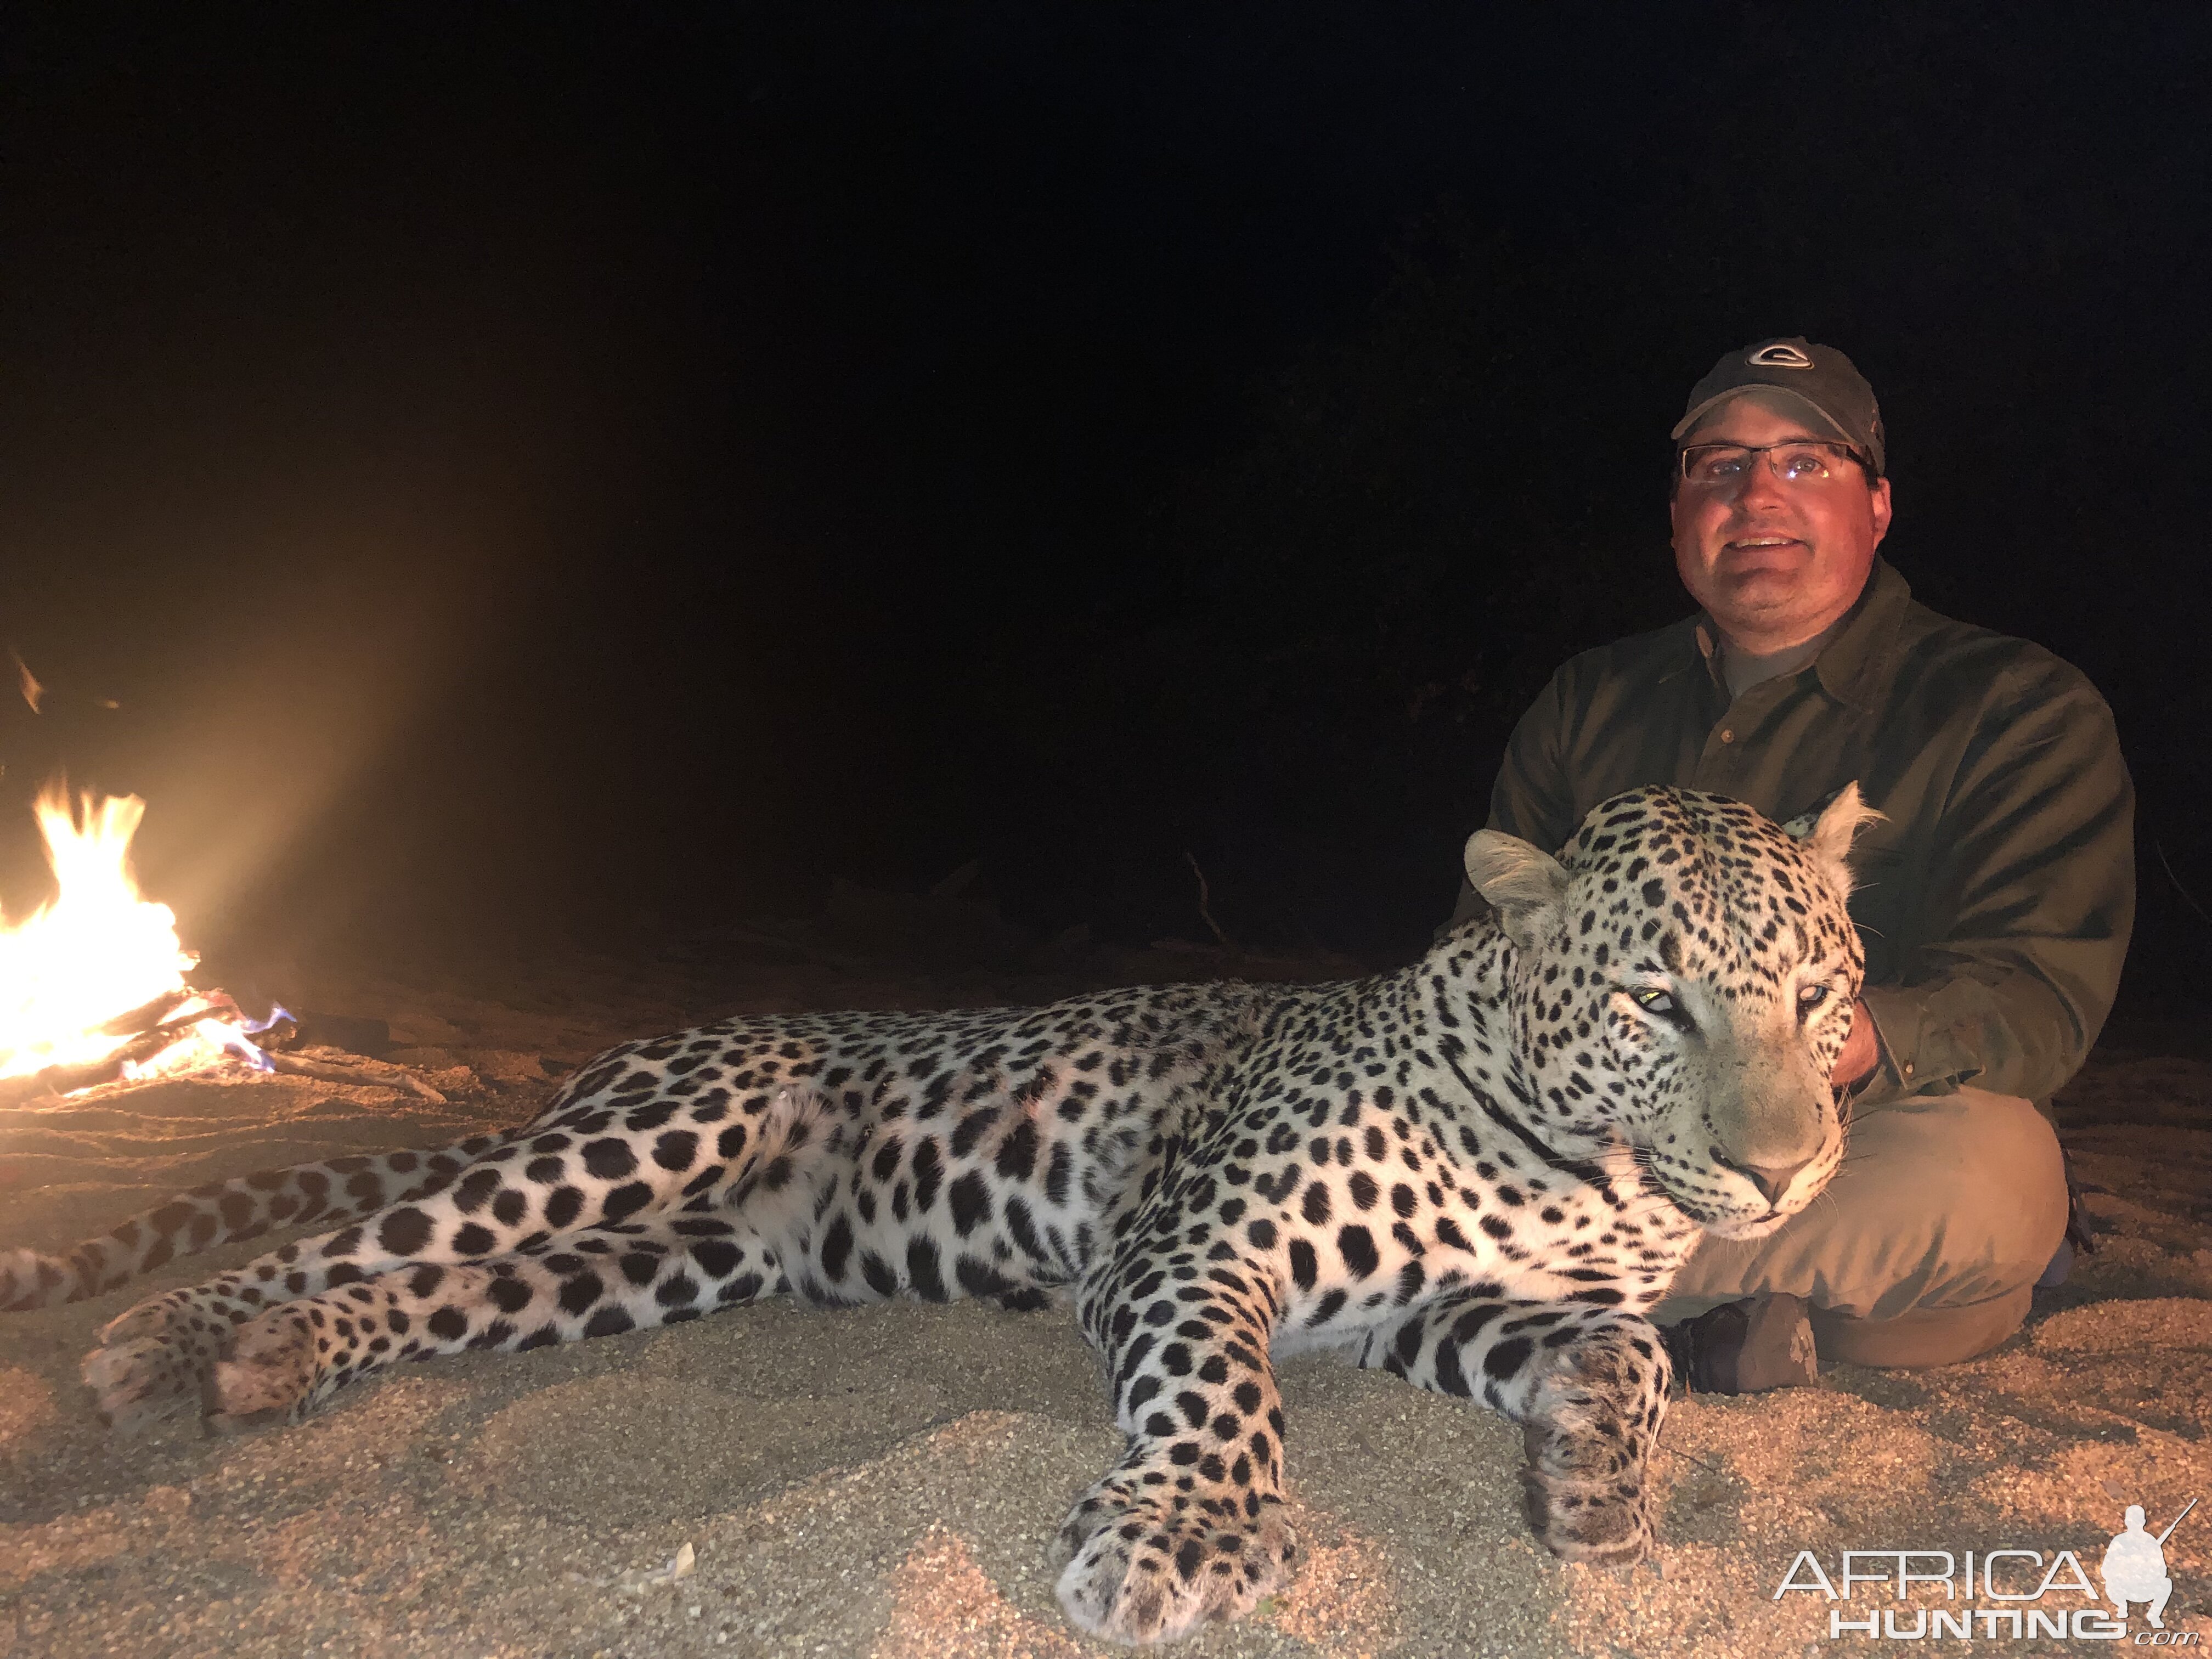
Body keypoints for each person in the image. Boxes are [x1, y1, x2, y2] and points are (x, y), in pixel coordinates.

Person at [1448, 337, 2134, 1391]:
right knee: (1937, 1309)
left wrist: (1818, 1042)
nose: (1757, 492)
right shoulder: (1587, 701)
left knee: (1986, 1179)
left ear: (1880, 505)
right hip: (1597, 1131)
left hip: (1856, 1130)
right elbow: (1472, 960)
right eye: (1718, 465)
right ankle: (1706, 1318)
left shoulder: (2016, 707)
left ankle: (1507, 1289)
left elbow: (2040, 995)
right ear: (1679, 512)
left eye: (1806, 461)